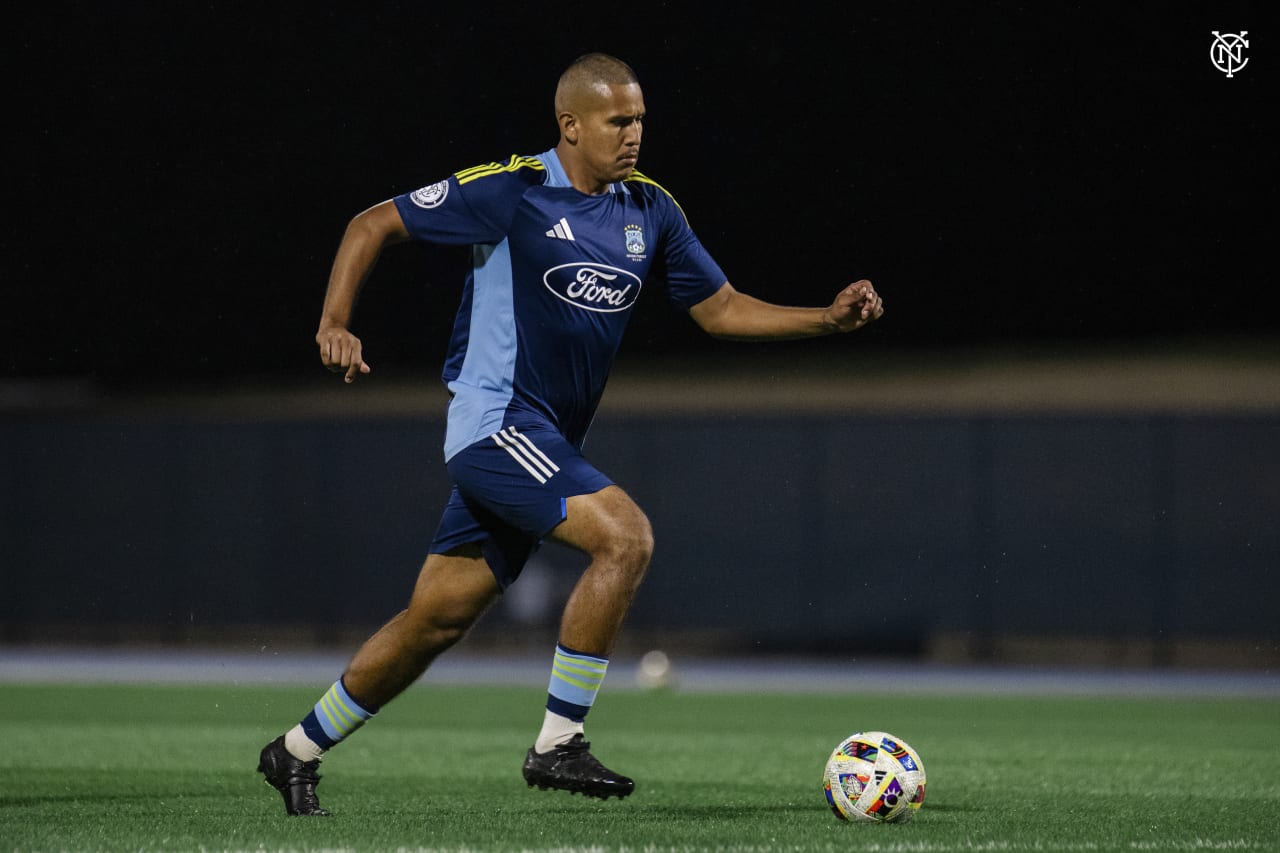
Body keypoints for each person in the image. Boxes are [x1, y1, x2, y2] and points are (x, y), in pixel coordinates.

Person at [257, 51, 884, 816]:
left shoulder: (649, 209)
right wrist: (334, 322)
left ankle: (293, 750)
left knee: (436, 620)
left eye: (640, 119)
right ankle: (558, 742)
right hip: (497, 424)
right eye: (618, 120)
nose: (634, 134)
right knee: (626, 536)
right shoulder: (513, 189)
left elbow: (719, 308)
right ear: (571, 125)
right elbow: (371, 223)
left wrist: (826, 317)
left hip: (545, 440)